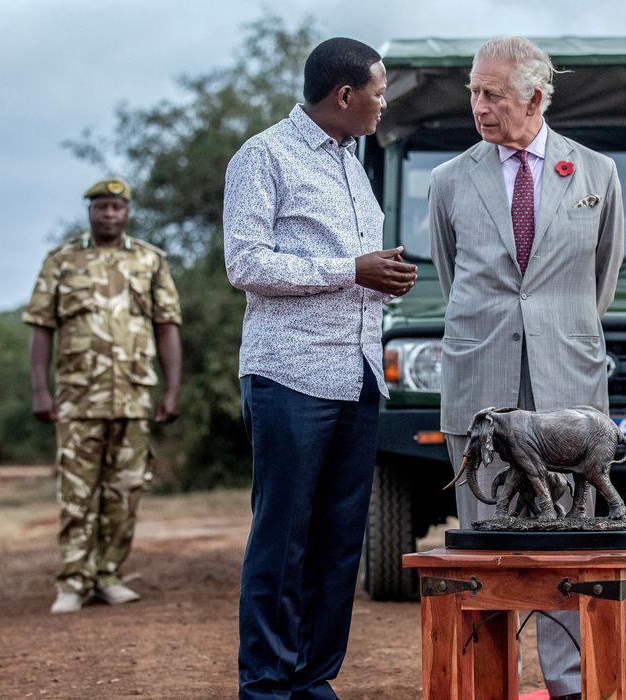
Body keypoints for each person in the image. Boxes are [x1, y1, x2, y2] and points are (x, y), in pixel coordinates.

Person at [428, 36, 624, 700]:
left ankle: (568, 687)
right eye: (473, 93)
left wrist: (550, 332)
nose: (478, 107)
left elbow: (600, 281)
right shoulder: (448, 179)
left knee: (566, 546)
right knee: (484, 545)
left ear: (535, 97)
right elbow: (454, 275)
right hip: (480, 385)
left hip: (566, 386)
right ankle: (486, 686)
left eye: (493, 95)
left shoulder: (596, 173)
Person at [223, 37, 417, 699]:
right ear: (344, 95)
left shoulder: (355, 165)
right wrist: (349, 270)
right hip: (289, 377)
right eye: (378, 90)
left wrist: (382, 279)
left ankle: (311, 680)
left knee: (338, 544)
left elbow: (351, 270)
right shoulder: (263, 156)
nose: (382, 102)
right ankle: (268, 686)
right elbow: (245, 264)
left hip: (358, 372)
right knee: (284, 538)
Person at [22, 178, 183, 615]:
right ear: (89, 212)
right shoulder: (62, 261)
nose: (109, 214)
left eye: (116, 207)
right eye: (101, 207)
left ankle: (109, 574)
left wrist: (171, 389)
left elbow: (167, 326)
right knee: (77, 494)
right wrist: (40, 390)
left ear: (127, 212)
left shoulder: (151, 261)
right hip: (77, 398)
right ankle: (73, 581)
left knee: (126, 491)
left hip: (133, 397)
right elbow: (41, 326)